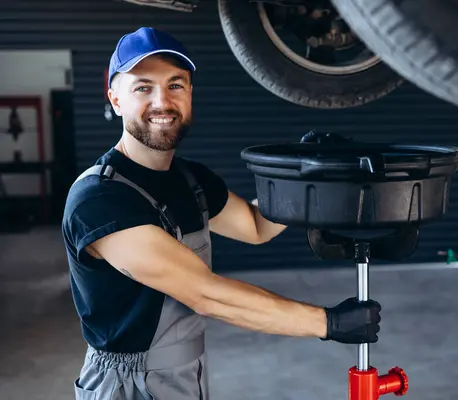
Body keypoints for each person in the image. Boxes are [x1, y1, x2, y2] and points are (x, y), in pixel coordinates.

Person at [61, 26, 382, 400]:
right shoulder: (99, 199)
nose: (162, 102)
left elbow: (257, 225)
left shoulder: (190, 178)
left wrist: (309, 174)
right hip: (128, 384)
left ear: (190, 94)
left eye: (175, 85)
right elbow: (205, 294)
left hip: (188, 370)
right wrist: (328, 323)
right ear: (115, 99)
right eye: (143, 87)